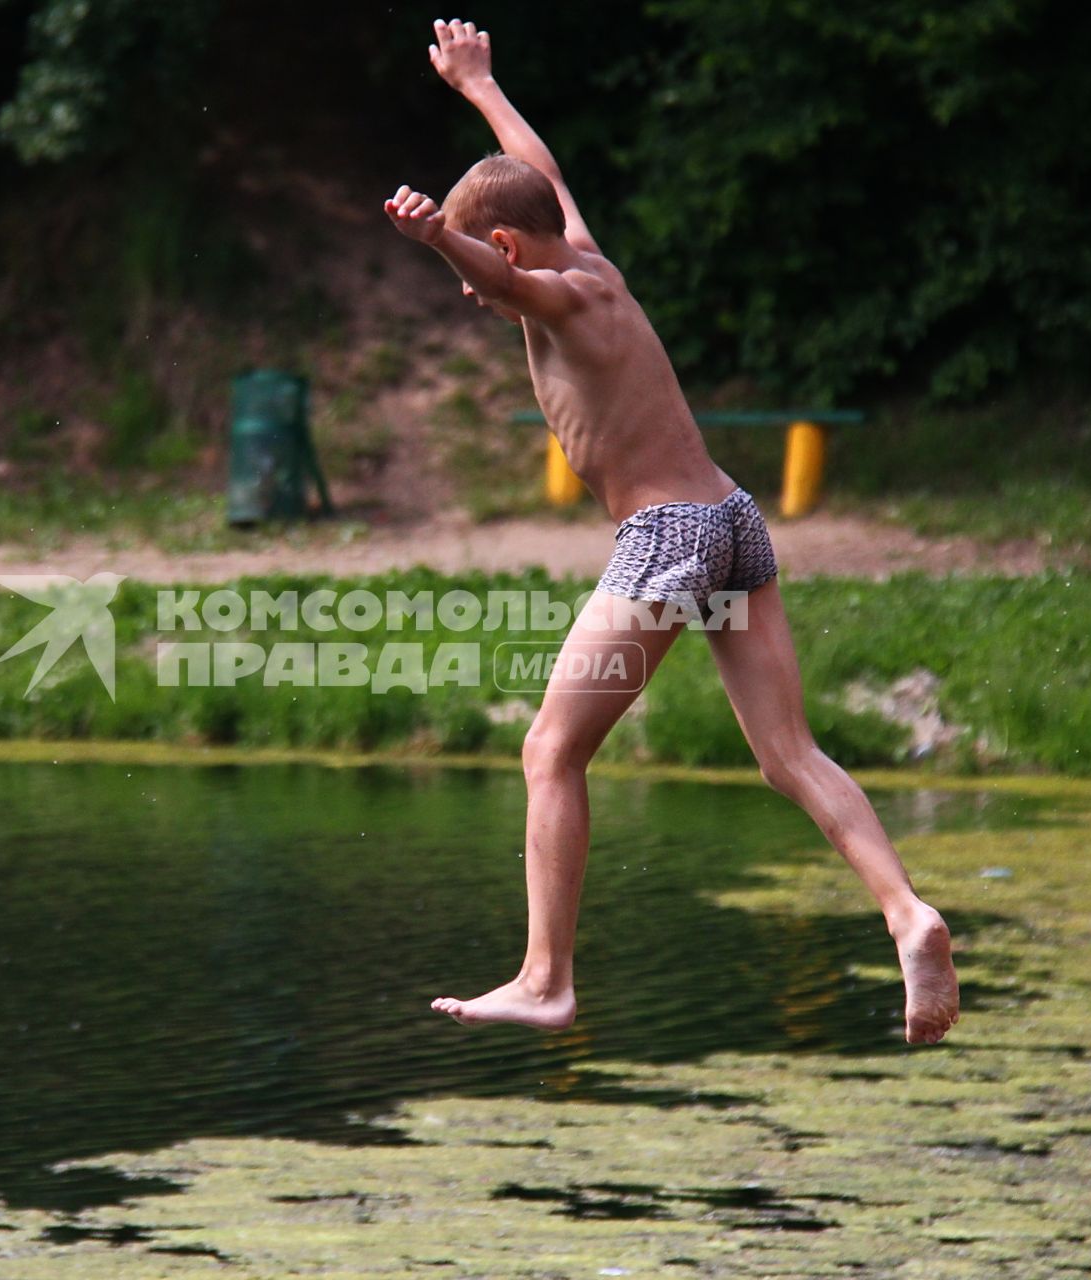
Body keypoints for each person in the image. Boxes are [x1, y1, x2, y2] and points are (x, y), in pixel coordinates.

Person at [385, 18, 959, 1045]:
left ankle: (546, 975)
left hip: (671, 539)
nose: (472, 290)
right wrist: (481, 84)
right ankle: (906, 911)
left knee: (549, 752)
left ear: (502, 246)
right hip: (735, 519)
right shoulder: (593, 260)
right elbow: (539, 175)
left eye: (476, 269)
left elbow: (512, 273)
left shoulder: (553, 296)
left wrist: (437, 236)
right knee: (789, 752)